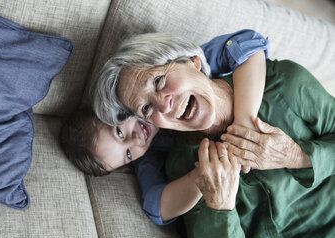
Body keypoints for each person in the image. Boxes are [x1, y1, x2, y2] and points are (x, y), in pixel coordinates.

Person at [93, 31, 335, 238]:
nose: (164, 105)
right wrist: (221, 206)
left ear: (193, 62)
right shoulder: (181, 168)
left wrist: (297, 156)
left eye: (158, 81)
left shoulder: (285, 85)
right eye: (146, 108)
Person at [61, 29, 269, 225]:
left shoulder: (185, 71)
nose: (137, 140)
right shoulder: (151, 154)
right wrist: (205, 173)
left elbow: (247, 44)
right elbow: (157, 206)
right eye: (129, 155)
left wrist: (244, 123)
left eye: (120, 132)